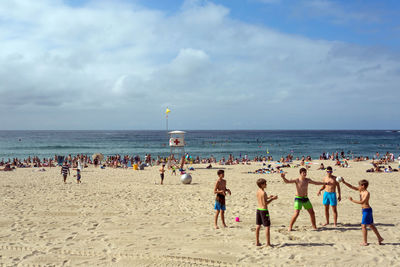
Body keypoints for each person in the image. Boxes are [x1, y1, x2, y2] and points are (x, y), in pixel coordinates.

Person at [342, 178, 384, 246]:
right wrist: (344, 182)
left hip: (367, 210)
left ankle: (365, 242)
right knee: (371, 225)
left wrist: (352, 200)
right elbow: (351, 186)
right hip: (365, 210)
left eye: (359, 185)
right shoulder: (360, 190)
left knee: (363, 226)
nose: (358, 186)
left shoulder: (367, 193)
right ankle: (380, 238)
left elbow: (362, 202)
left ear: (363, 186)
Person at [255, 178, 278, 247]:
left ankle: (257, 242)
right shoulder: (263, 193)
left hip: (258, 209)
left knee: (258, 226)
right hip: (264, 211)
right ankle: (268, 243)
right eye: (265, 183)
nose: (266, 184)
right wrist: (272, 199)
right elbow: (265, 203)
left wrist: (268, 197)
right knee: (267, 227)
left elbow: (262, 199)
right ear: (262, 185)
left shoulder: (258, 191)